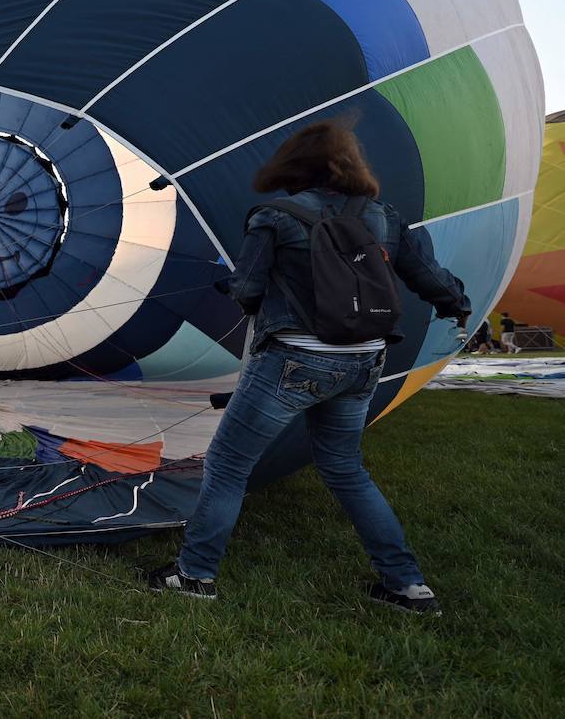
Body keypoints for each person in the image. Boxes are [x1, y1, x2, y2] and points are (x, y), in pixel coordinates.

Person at [147, 121, 469, 614]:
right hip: (364, 362)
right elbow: (429, 278)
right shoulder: (383, 217)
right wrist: (456, 304)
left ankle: (194, 574)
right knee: (345, 469)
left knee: (229, 466)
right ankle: (407, 586)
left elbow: (248, 290)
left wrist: (229, 287)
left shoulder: (274, 216)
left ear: (293, 166)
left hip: (292, 362)